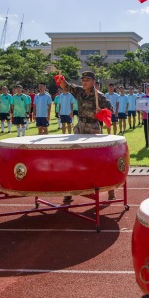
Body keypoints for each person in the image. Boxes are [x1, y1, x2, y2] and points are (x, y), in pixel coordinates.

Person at [58, 71, 115, 201]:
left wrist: (101, 111)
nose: (84, 82)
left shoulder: (99, 96)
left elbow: (111, 111)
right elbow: (66, 86)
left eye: (87, 80)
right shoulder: (78, 91)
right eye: (83, 80)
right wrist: (61, 79)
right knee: (74, 158)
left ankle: (110, 189)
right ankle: (69, 191)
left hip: (93, 128)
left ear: (94, 82)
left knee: (99, 160)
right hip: (80, 127)